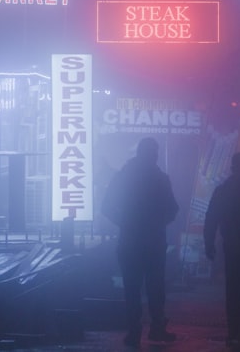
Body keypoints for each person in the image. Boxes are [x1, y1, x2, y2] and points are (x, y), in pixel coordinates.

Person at [101, 137, 180, 346]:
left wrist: (125, 223)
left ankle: (134, 332)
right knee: (155, 288)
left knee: (132, 288)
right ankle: (156, 329)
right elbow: (173, 209)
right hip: (154, 241)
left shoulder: (124, 176)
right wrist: (158, 223)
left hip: (130, 241)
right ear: (153, 154)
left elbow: (106, 206)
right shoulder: (160, 179)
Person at [203, 151, 240, 345]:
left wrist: (208, 242)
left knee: (233, 289)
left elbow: (211, 217)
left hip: (231, 244)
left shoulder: (224, 189)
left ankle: (234, 329)